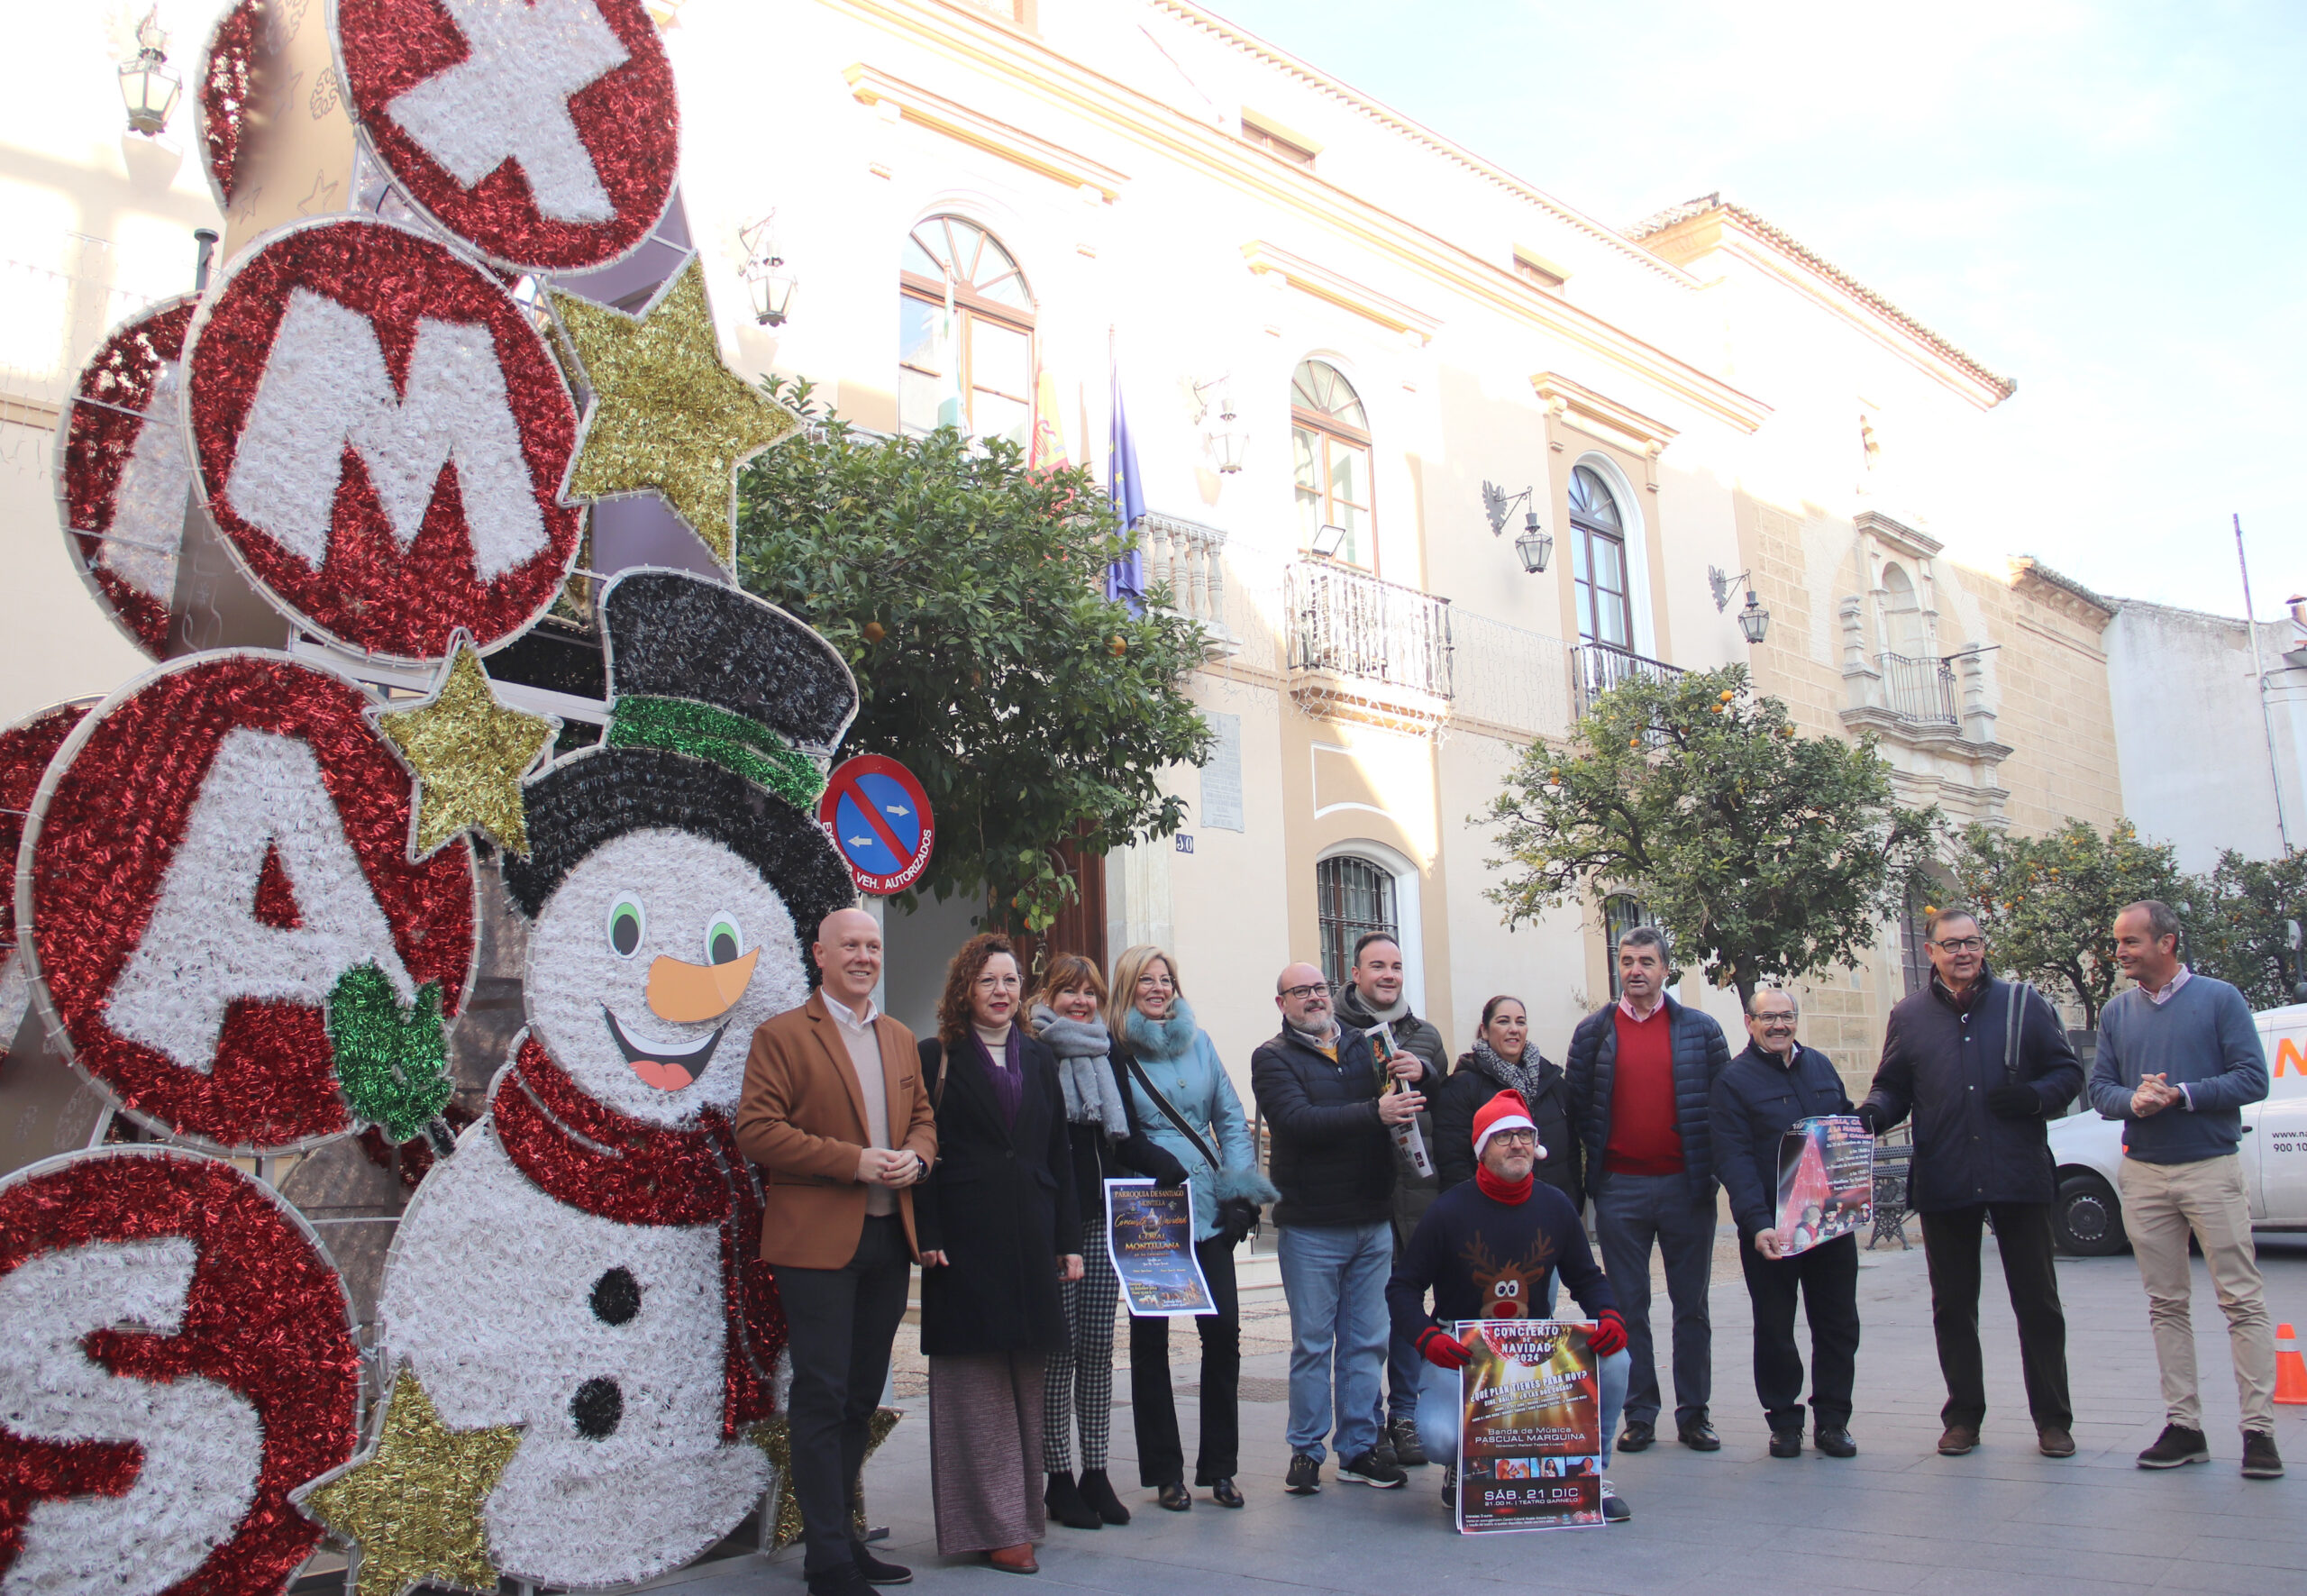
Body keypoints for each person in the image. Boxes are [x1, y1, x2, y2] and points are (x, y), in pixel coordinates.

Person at [735, 908, 938, 1596]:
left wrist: (917, 1156)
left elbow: (922, 1121)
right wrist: (853, 1162)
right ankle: (825, 1559)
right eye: (849, 944)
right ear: (818, 954)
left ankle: (847, 1536)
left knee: (858, 1396)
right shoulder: (783, 1035)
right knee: (821, 1394)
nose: (863, 955)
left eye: (872, 945)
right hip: (817, 1242)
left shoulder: (901, 1037)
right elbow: (757, 1130)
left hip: (887, 1238)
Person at [1858, 907, 2084, 1459]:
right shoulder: (1908, 1017)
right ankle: (1963, 1416)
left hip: (2017, 1175)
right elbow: (1893, 1089)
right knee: (1953, 1307)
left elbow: (2067, 1073)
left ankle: (2053, 1421)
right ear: (1930, 952)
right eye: (1951, 944)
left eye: (1973, 943)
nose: (1963, 953)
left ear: (1983, 948)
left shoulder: (2023, 1004)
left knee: (2038, 1304)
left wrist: (2033, 1097)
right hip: (1946, 1176)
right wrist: (1867, 1116)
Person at [2088, 899, 2282, 1479]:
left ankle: (2259, 1433)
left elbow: (2253, 1078)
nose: (2119, 952)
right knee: (2165, 1304)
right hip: (2144, 1173)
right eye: (2118, 942)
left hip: (2210, 1168)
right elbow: (2101, 1090)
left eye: (2129, 942)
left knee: (2240, 1301)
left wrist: (2182, 1095)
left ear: (2167, 943)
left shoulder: (2221, 999)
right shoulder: (2117, 1013)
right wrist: (2136, 1101)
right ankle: (2185, 1426)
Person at [914, 934, 1084, 1574]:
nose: (1001, 991)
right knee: (974, 1387)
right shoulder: (938, 1056)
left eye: (1010, 980)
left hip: (1031, 1236)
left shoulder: (1038, 1059)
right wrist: (926, 1232)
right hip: (963, 1238)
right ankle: (991, 1524)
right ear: (966, 988)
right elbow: (921, 1148)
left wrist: (1068, 1240)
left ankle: (1022, 1514)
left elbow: (1056, 1152)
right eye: (988, 980)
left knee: (1026, 1385)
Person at [1388, 1090, 1633, 1522]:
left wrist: (1609, 1314)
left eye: (1524, 1134)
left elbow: (1587, 1278)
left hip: (1535, 1352)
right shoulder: (1447, 1212)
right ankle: (1460, 1467)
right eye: (1504, 1137)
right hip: (1461, 1351)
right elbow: (1402, 1289)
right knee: (1440, 1438)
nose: (1517, 1144)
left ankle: (1593, 1472)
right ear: (1482, 1150)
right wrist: (1428, 1340)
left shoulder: (1555, 1206)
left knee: (1617, 1360)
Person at [1108, 944, 1276, 1511]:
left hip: (1206, 1205)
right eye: (1146, 981)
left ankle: (1220, 1468)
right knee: (1151, 1341)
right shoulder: (1116, 1049)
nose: (1159, 989)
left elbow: (1230, 1117)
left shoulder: (1199, 1042)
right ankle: (1164, 1471)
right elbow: (1118, 1130)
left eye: (1167, 980)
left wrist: (1239, 1193)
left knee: (1223, 1333)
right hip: (1149, 1207)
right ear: (1127, 988)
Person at [1251, 961, 1421, 1494]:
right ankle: (1305, 1450)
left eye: (1319, 988)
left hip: (1371, 1218)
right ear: (1282, 1004)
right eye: (1299, 992)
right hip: (1312, 1226)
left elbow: (1412, 1096)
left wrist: (1423, 1074)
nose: (1313, 998)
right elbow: (1298, 1122)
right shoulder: (1272, 1058)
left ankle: (1359, 1449)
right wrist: (1376, 1110)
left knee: (1367, 1342)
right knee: (1312, 1345)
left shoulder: (1365, 1045)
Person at [1564, 926, 1733, 1454]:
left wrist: (1717, 1176)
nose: (1635, 970)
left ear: (1666, 969)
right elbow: (1575, 1114)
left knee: (1692, 1306)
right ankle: (1640, 1412)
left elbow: (1723, 1111)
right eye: (1627, 960)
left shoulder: (1701, 1031)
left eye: (1646, 962)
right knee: (1629, 1306)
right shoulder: (1593, 1034)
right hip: (1621, 1189)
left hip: (1687, 1188)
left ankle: (1695, 1413)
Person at [1027, 954, 1171, 1530]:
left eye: (1088, 993)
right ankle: (1057, 1478)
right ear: (1047, 996)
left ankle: (1096, 1471)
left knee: (1095, 1349)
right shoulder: (1034, 1053)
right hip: (1054, 1226)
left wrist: (1166, 1166)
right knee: (1058, 1353)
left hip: (1101, 1220)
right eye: (1069, 992)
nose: (1081, 1001)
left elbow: (1126, 1137)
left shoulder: (1106, 1052)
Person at [1710, 988, 1861, 1461]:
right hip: (1774, 1230)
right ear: (1750, 1023)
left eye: (1786, 1016)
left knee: (1837, 1325)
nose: (1779, 1025)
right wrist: (1756, 1225)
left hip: (1830, 1223)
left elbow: (1844, 1127)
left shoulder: (1819, 1065)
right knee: (1775, 1328)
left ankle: (1833, 1421)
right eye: (1768, 1017)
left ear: (1796, 1020)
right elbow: (1733, 1160)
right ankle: (1784, 1422)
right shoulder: (1733, 1081)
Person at [1331, 934, 1446, 1467]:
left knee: (1408, 1311)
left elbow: (1447, 1104)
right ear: (1354, 973)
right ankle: (1366, 1422)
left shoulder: (1424, 1035)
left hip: (1419, 1196)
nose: (1389, 975)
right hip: (1360, 1192)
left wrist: (1427, 1074)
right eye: (1377, 966)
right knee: (1362, 1320)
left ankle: (1406, 1414)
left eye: (1396, 966)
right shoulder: (1330, 1033)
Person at [1436, 995, 1582, 1209]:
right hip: (1491, 1212)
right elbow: (1452, 1162)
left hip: (1552, 1210)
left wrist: (1572, 1203)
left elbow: (1571, 1153)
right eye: (1503, 1021)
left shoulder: (1551, 1083)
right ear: (1484, 1030)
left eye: (1520, 1022)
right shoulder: (1462, 1087)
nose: (1514, 1029)